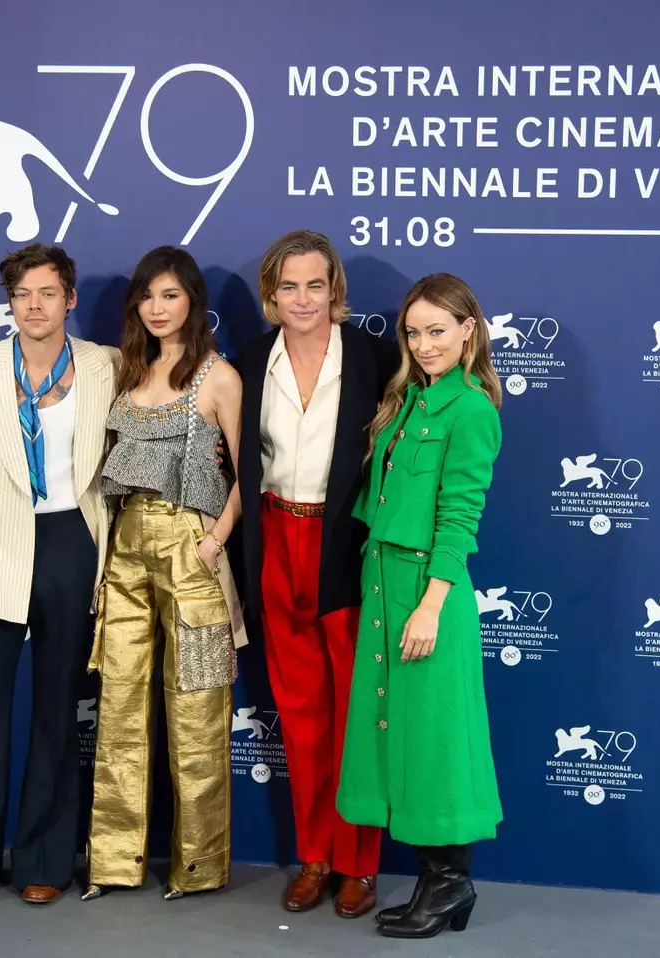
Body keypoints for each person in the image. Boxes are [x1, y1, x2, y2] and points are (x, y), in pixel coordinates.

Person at [0, 243, 120, 905]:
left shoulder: (105, 365)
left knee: (56, 712)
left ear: (70, 299)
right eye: (21, 295)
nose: (34, 307)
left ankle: (44, 859)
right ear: (7, 303)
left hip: (72, 538)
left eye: (47, 293)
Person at [231, 229, 398, 918]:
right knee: (300, 716)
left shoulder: (375, 358)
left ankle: (360, 864)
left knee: (355, 714)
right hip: (275, 539)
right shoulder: (247, 362)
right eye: (289, 286)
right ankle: (316, 856)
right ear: (271, 295)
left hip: (345, 548)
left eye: (316, 284)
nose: (303, 298)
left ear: (335, 291)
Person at [336, 273, 504, 939]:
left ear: (469, 330)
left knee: (435, 740)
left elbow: (460, 517)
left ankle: (449, 884)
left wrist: (431, 605)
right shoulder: (408, 401)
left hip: (425, 592)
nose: (425, 343)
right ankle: (440, 883)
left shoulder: (472, 410)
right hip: (383, 585)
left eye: (439, 330)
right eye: (414, 331)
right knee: (399, 733)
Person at [81, 246, 245, 901]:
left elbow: (246, 473)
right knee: (119, 708)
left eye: (170, 295)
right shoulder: (126, 373)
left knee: (199, 709)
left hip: (191, 548)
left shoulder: (219, 377)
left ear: (194, 302)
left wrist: (215, 541)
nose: (157, 308)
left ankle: (199, 867)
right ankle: (112, 863)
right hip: (124, 549)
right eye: (147, 296)